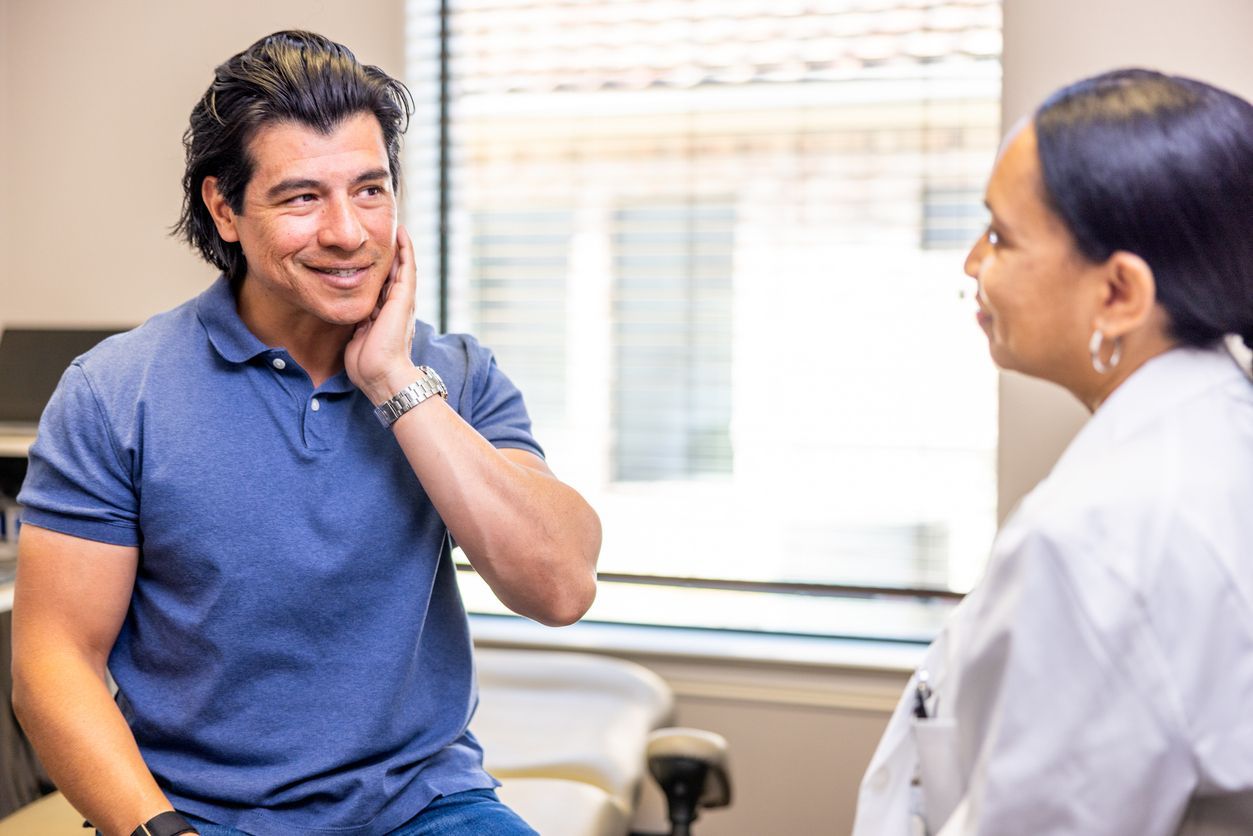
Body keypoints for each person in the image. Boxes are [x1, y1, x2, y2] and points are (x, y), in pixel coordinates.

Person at [11, 30, 601, 836]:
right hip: (199, 817)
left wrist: (394, 380)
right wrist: (159, 830)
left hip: (425, 807)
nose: (348, 232)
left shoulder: (452, 374)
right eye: (300, 198)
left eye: (369, 189)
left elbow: (558, 588)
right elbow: (54, 664)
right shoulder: (117, 392)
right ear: (224, 207)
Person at [853, 68, 1253, 835]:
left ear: (1117, 294)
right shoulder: (1212, 434)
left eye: (1000, 236)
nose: (972, 262)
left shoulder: (1101, 533)